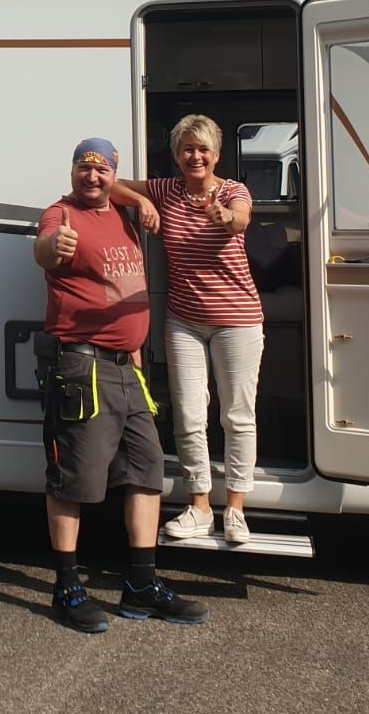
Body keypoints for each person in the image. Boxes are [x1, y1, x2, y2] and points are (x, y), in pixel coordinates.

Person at [34, 137, 208, 632]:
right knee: (74, 480)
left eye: (101, 169)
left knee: (146, 471)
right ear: (71, 172)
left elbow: (126, 195)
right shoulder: (59, 215)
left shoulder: (121, 215)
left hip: (128, 368)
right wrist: (54, 249)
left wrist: (142, 200)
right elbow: (44, 250)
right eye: (83, 168)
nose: (91, 177)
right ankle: (66, 588)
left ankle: (140, 586)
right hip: (82, 367)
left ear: (114, 174)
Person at [116, 114, 264, 546]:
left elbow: (240, 219)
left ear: (216, 154)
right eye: (186, 148)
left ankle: (235, 508)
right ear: (177, 155)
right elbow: (112, 185)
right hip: (183, 320)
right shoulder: (168, 190)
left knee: (237, 414)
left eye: (202, 149)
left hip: (237, 319)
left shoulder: (234, 190)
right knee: (189, 413)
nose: (194, 156)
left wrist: (225, 218)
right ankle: (200, 504)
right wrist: (142, 202)